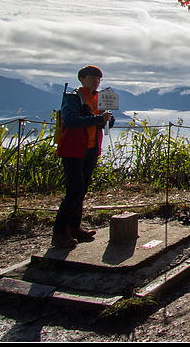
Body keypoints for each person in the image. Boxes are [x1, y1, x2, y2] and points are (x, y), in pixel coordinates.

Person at [52, 65, 114, 248]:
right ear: (82, 79)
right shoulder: (73, 97)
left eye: (98, 79)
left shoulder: (98, 98)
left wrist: (107, 118)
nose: (96, 81)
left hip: (91, 148)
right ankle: (59, 232)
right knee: (73, 191)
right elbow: (70, 120)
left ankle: (73, 228)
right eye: (92, 78)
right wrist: (98, 119)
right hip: (73, 149)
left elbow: (106, 121)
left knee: (81, 189)